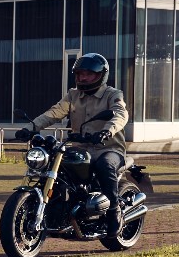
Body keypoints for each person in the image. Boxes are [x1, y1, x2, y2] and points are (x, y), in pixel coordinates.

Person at [15, 52, 129, 237]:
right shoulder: (73, 95)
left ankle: (114, 210)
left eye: (88, 74)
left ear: (101, 75)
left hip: (108, 148)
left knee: (105, 165)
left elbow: (120, 114)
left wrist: (107, 131)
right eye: (79, 74)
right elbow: (54, 113)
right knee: (56, 165)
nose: (83, 77)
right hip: (80, 148)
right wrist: (31, 127)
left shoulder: (113, 94)